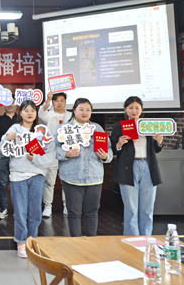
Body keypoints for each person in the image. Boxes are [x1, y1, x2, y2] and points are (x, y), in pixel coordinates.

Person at [4, 100, 55, 258]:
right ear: (20, 113)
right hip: (18, 175)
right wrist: (7, 138)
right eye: (26, 110)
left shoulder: (42, 131)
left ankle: (32, 240)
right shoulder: (14, 129)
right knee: (20, 211)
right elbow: (4, 149)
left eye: (33, 110)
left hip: (37, 175)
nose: (30, 113)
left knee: (35, 212)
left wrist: (36, 159)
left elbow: (50, 154)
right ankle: (21, 241)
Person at [55, 98, 112, 237]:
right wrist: (66, 153)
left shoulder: (97, 128)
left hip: (94, 177)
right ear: (74, 111)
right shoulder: (64, 129)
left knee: (92, 212)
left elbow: (108, 149)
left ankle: (91, 243)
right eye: (81, 109)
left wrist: (106, 156)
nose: (84, 112)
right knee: (74, 213)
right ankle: (76, 244)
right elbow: (53, 149)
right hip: (72, 177)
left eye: (88, 110)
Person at [111, 96, 164, 236]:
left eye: (137, 108)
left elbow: (156, 149)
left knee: (147, 208)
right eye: (130, 108)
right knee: (131, 208)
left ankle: (146, 238)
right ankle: (132, 238)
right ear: (125, 109)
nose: (134, 111)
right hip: (128, 168)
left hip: (148, 166)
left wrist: (159, 142)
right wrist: (119, 144)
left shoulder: (148, 125)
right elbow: (112, 149)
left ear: (141, 109)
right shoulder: (119, 126)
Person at [39, 92, 69, 218]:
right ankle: (48, 206)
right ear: (53, 102)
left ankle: (67, 205)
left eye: (62, 100)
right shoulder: (49, 115)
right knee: (49, 181)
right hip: (52, 151)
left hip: (68, 151)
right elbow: (41, 114)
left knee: (67, 181)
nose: (59, 103)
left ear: (65, 102)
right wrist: (47, 100)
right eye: (56, 101)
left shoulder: (71, 116)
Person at [0, 102, 18, 220]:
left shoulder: (20, 119)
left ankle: (18, 209)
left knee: (18, 182)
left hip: (18, 154)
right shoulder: (0, 118)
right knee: (3, 183)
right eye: (7, 103)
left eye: (13, 102)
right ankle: (3, 208)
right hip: (3, 154)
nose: (10, 105)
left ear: (17, 104)